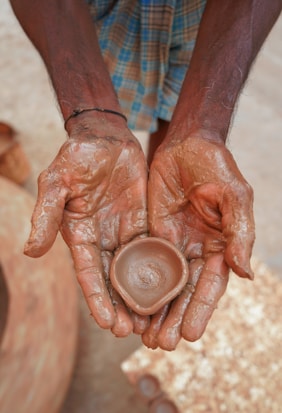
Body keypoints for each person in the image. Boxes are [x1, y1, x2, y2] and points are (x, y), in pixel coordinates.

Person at [9, 0, 281, 351]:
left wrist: (203, 126)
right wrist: (94, 119)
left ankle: (171, 167)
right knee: (114, 82)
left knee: (183, 144)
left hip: (215, 18)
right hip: (91, 15)